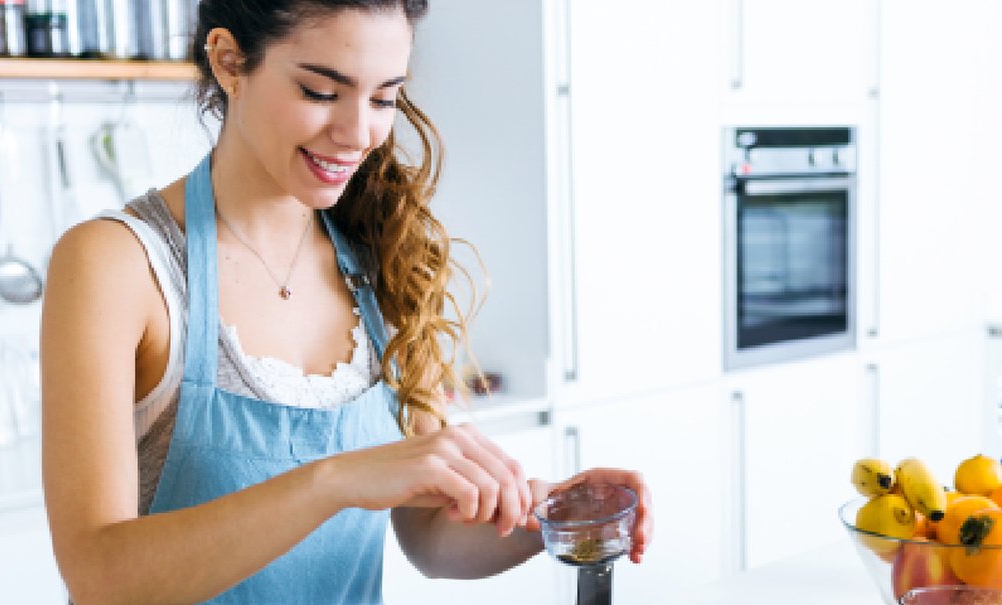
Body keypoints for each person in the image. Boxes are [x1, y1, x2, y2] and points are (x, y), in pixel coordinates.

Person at [39, 1, 652, 604]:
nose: (359, 134)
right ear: (229, 61)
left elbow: (431, 540)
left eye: (384, 98)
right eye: (320, 91)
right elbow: (100, 578)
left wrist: (547, 514)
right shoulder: (118, 263)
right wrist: (335, 481)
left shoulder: (384, 256)